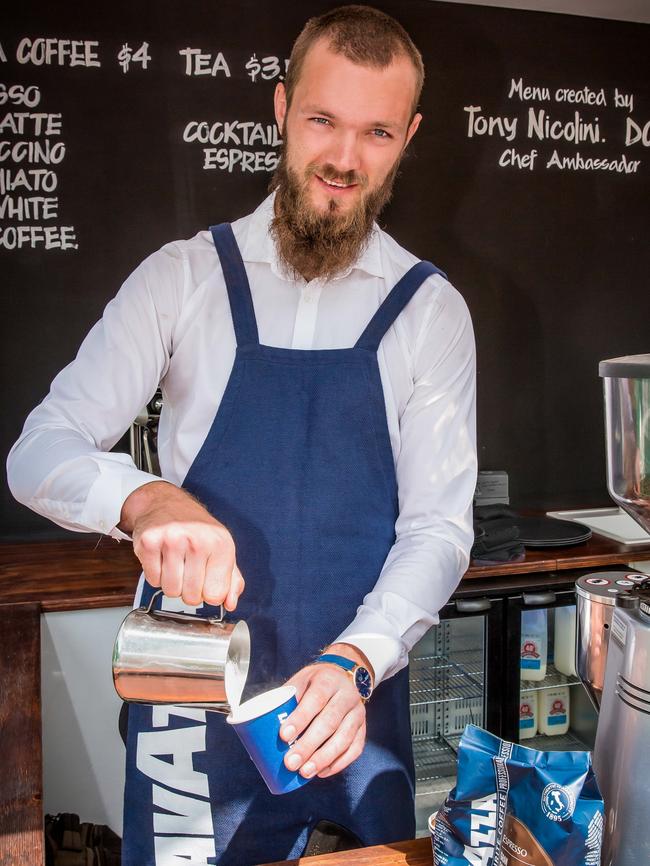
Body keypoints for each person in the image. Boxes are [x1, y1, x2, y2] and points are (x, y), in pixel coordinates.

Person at [7, 5, 476, 865]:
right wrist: (144, 500)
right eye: (322, 121)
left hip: (350, 697)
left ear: (408, 136)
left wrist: (357, 662)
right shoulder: (181, 278)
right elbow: (40, 451)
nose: (342, 159)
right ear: (280, 108)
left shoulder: (431, 311)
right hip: (191, 693)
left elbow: (440, 528)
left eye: (376, 132)